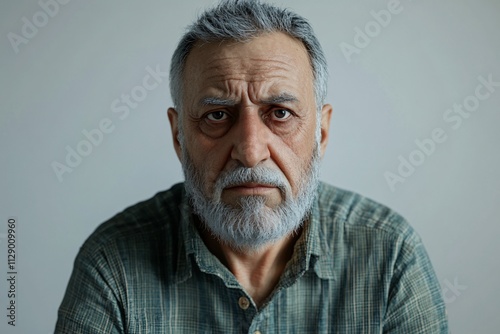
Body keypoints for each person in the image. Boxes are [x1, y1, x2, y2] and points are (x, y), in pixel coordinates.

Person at [55, 0, 448, 332]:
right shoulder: (112, 266)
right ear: (178, 136)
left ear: (321, 132)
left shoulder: (391, 256)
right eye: (217, 115)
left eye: (279, 113)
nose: (250, 150)